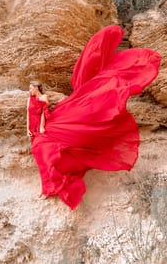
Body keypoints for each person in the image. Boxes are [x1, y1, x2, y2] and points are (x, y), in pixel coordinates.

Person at [29, 25, 161, 210]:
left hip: (61, 112)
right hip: (59, 112)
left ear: (37, 89)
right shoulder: (40, 96)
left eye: (32, 88)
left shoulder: (45, 96)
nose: (31, 91)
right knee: (49, 150)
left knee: (49, 149)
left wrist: (41, 129)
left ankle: (53, 186)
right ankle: (52, 186)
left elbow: (43, 112)